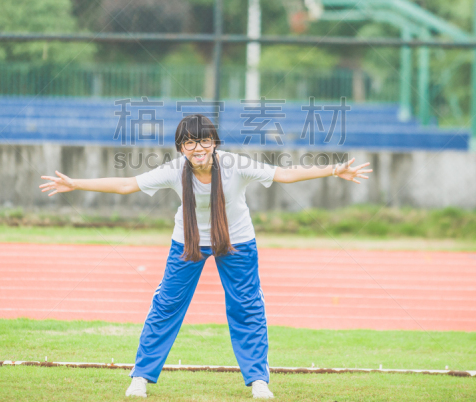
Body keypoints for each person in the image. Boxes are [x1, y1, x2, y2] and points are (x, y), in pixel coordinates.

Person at [39, 114, 371, 398]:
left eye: (204, 141)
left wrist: (334, 170)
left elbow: (282, 174)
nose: (198, 148)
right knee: (166, 304)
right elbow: (128, 184)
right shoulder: (174, 170)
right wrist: (76, 183)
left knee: (246, 305)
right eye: (190, 143)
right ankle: (140, 376)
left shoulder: (235, 165)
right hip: (188, 240)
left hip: (237, 239)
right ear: (181, 148)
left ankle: (258, 380)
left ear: (214, 142)